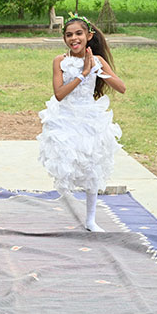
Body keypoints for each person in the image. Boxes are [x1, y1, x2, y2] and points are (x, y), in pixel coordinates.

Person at [37, 13, 126, 232]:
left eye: (78, 34)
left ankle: (91, 219)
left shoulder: (97, 60)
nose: (74, 38)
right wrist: (83, 74)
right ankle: (64, 201)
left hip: (89, 117)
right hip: (66, 116)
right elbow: (59, 94)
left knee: (93, 166)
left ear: (89, 35)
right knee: (68, 163)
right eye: (69, 35)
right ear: (64, 38)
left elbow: (121, 87)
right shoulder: (60, 61)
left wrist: (97, 69)